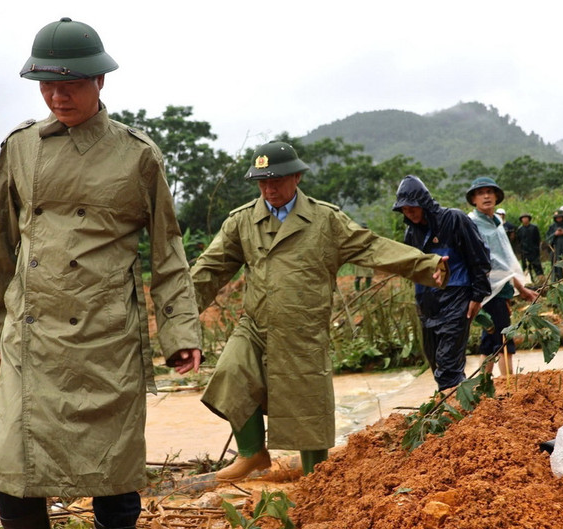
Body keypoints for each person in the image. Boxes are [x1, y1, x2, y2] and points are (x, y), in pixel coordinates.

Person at [0, 18, 203, 529]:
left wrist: (181, 333)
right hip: (31, 336)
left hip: (106, 337)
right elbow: (0, 243)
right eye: (47, 85)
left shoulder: (138, 155)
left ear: (100, 81)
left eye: (72, 84)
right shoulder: (20, 147)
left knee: (114, 471)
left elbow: (167, 252)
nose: (58, 96)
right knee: (15, 468)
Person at [191, 148, 451, 482]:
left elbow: (371, 247)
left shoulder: (325, 220)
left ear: (297, 177)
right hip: (255, 324)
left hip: (304, 329)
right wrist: (177, 317)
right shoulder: (242, 220)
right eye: (262, 181)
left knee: (308, 405)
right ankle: (252, 454)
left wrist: (426, 264)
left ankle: (317, 475)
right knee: (231, 374)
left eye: (277, 179)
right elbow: (209, 270)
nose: (269, 188)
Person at [392, 175, 492, 390]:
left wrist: (477, 296)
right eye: (404, 209)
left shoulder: (454, 220)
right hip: (427, 303)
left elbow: (480, 259)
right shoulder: (412, 233)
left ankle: (457, 416)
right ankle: (461, 407)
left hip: (456, 299)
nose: (408, 212)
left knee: (448, 367)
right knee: (435, 362)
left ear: (424, 203)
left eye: (412, 207)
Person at [466, 178, 537, 378]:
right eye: (481, 193)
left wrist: (521, 290)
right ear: (473, 199)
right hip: (486, 290)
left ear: (497, 197)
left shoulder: (496, 223)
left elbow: (504, 264)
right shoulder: (471, 224)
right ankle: (509, 385)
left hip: (499, 289)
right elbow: (481, 262)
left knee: (489, 341)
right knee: (505, 338)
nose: (486, 196)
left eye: (490, 192)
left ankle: (481, 386)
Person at [515, 213, 543, 280]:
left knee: (537, 266)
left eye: (526, 218)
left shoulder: (534, 228)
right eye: (523, 218)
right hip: (524, 252)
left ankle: (541, 280)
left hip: (534, 251)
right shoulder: (520, 230)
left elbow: (538, 239)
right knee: (526, 268)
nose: (524, 219)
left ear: (529, 219)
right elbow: (518, 240)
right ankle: (528, 281)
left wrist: (537, 249)